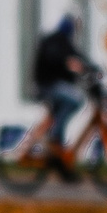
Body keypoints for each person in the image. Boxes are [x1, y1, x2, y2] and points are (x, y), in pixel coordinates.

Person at [31, 12, 96, 171]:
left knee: (68, 103)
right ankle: (55, 136)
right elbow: (59, 59)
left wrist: (93, 69)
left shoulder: (65, 43)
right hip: (47, 86)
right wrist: (70, 64)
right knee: (75, 100)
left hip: (55, 86)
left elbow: (78, 57)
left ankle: (59, 150)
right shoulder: (54, 41)